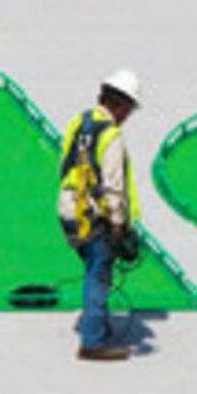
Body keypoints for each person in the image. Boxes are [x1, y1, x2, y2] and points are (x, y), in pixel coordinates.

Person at [56, 69, 145, 361]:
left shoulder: (78, 122)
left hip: (69, 209)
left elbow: (65, 162)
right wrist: (119, 223)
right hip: (96, 216)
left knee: (93, 268)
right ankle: (93, 342)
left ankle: (97, 324)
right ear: (121, 104)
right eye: (129, 109)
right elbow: (113, 184)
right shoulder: (111, 135)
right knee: (99, 274)